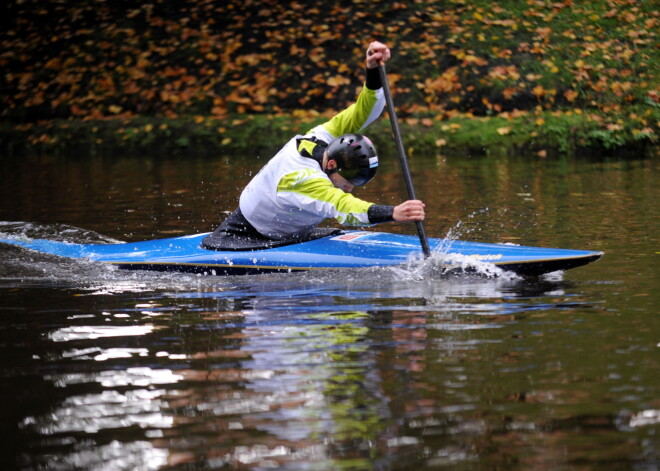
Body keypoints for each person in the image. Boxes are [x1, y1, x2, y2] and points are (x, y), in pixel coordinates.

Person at [202, 41, 425, 250]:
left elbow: (364, 112)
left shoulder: (325, 138)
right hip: (247, 237)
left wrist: (372, 70)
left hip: (294, 233)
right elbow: (345, 208)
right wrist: (393, 213)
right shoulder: (303, 179)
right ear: (331, 165)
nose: (349, 189)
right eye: (347, 182)